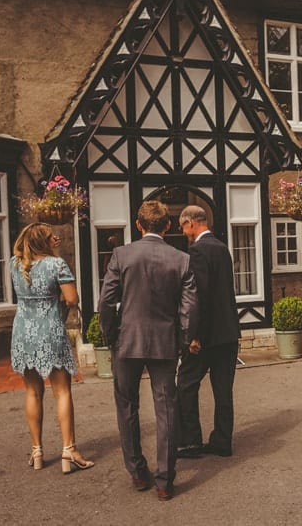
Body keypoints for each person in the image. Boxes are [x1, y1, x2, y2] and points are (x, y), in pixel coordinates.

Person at [99, 200, 197, 501]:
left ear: (139, 225)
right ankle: (165, 479)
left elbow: (106, 301)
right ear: (167, 226)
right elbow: (189, 308)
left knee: (126, 404)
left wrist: (111, 334)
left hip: (127, 340)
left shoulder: (121, 254)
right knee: (166, 408)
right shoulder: (181, 259)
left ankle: (137, 471)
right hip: (165, 341)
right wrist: (183, 339)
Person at [9, 223, 94, 474]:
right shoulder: (56, 265)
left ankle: (37, 450)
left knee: (33, 392)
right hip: (50, 331)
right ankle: (69, 450)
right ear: (45, 242)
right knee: (62, 391)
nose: (56, 239)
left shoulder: (14, 263)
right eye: (51, 237)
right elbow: (72, 299)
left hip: (23, 332)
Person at [176, 205, 240, 459]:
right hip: (228, 332)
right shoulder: (222, 248)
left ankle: (190, 441)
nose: (184, 233)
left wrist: (194, 335)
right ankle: (222, 441)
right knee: (223, 389)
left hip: (207, 336)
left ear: (191, 223)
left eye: (183, 227)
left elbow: (198, 296)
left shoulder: (198, 251)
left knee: (186, 385)